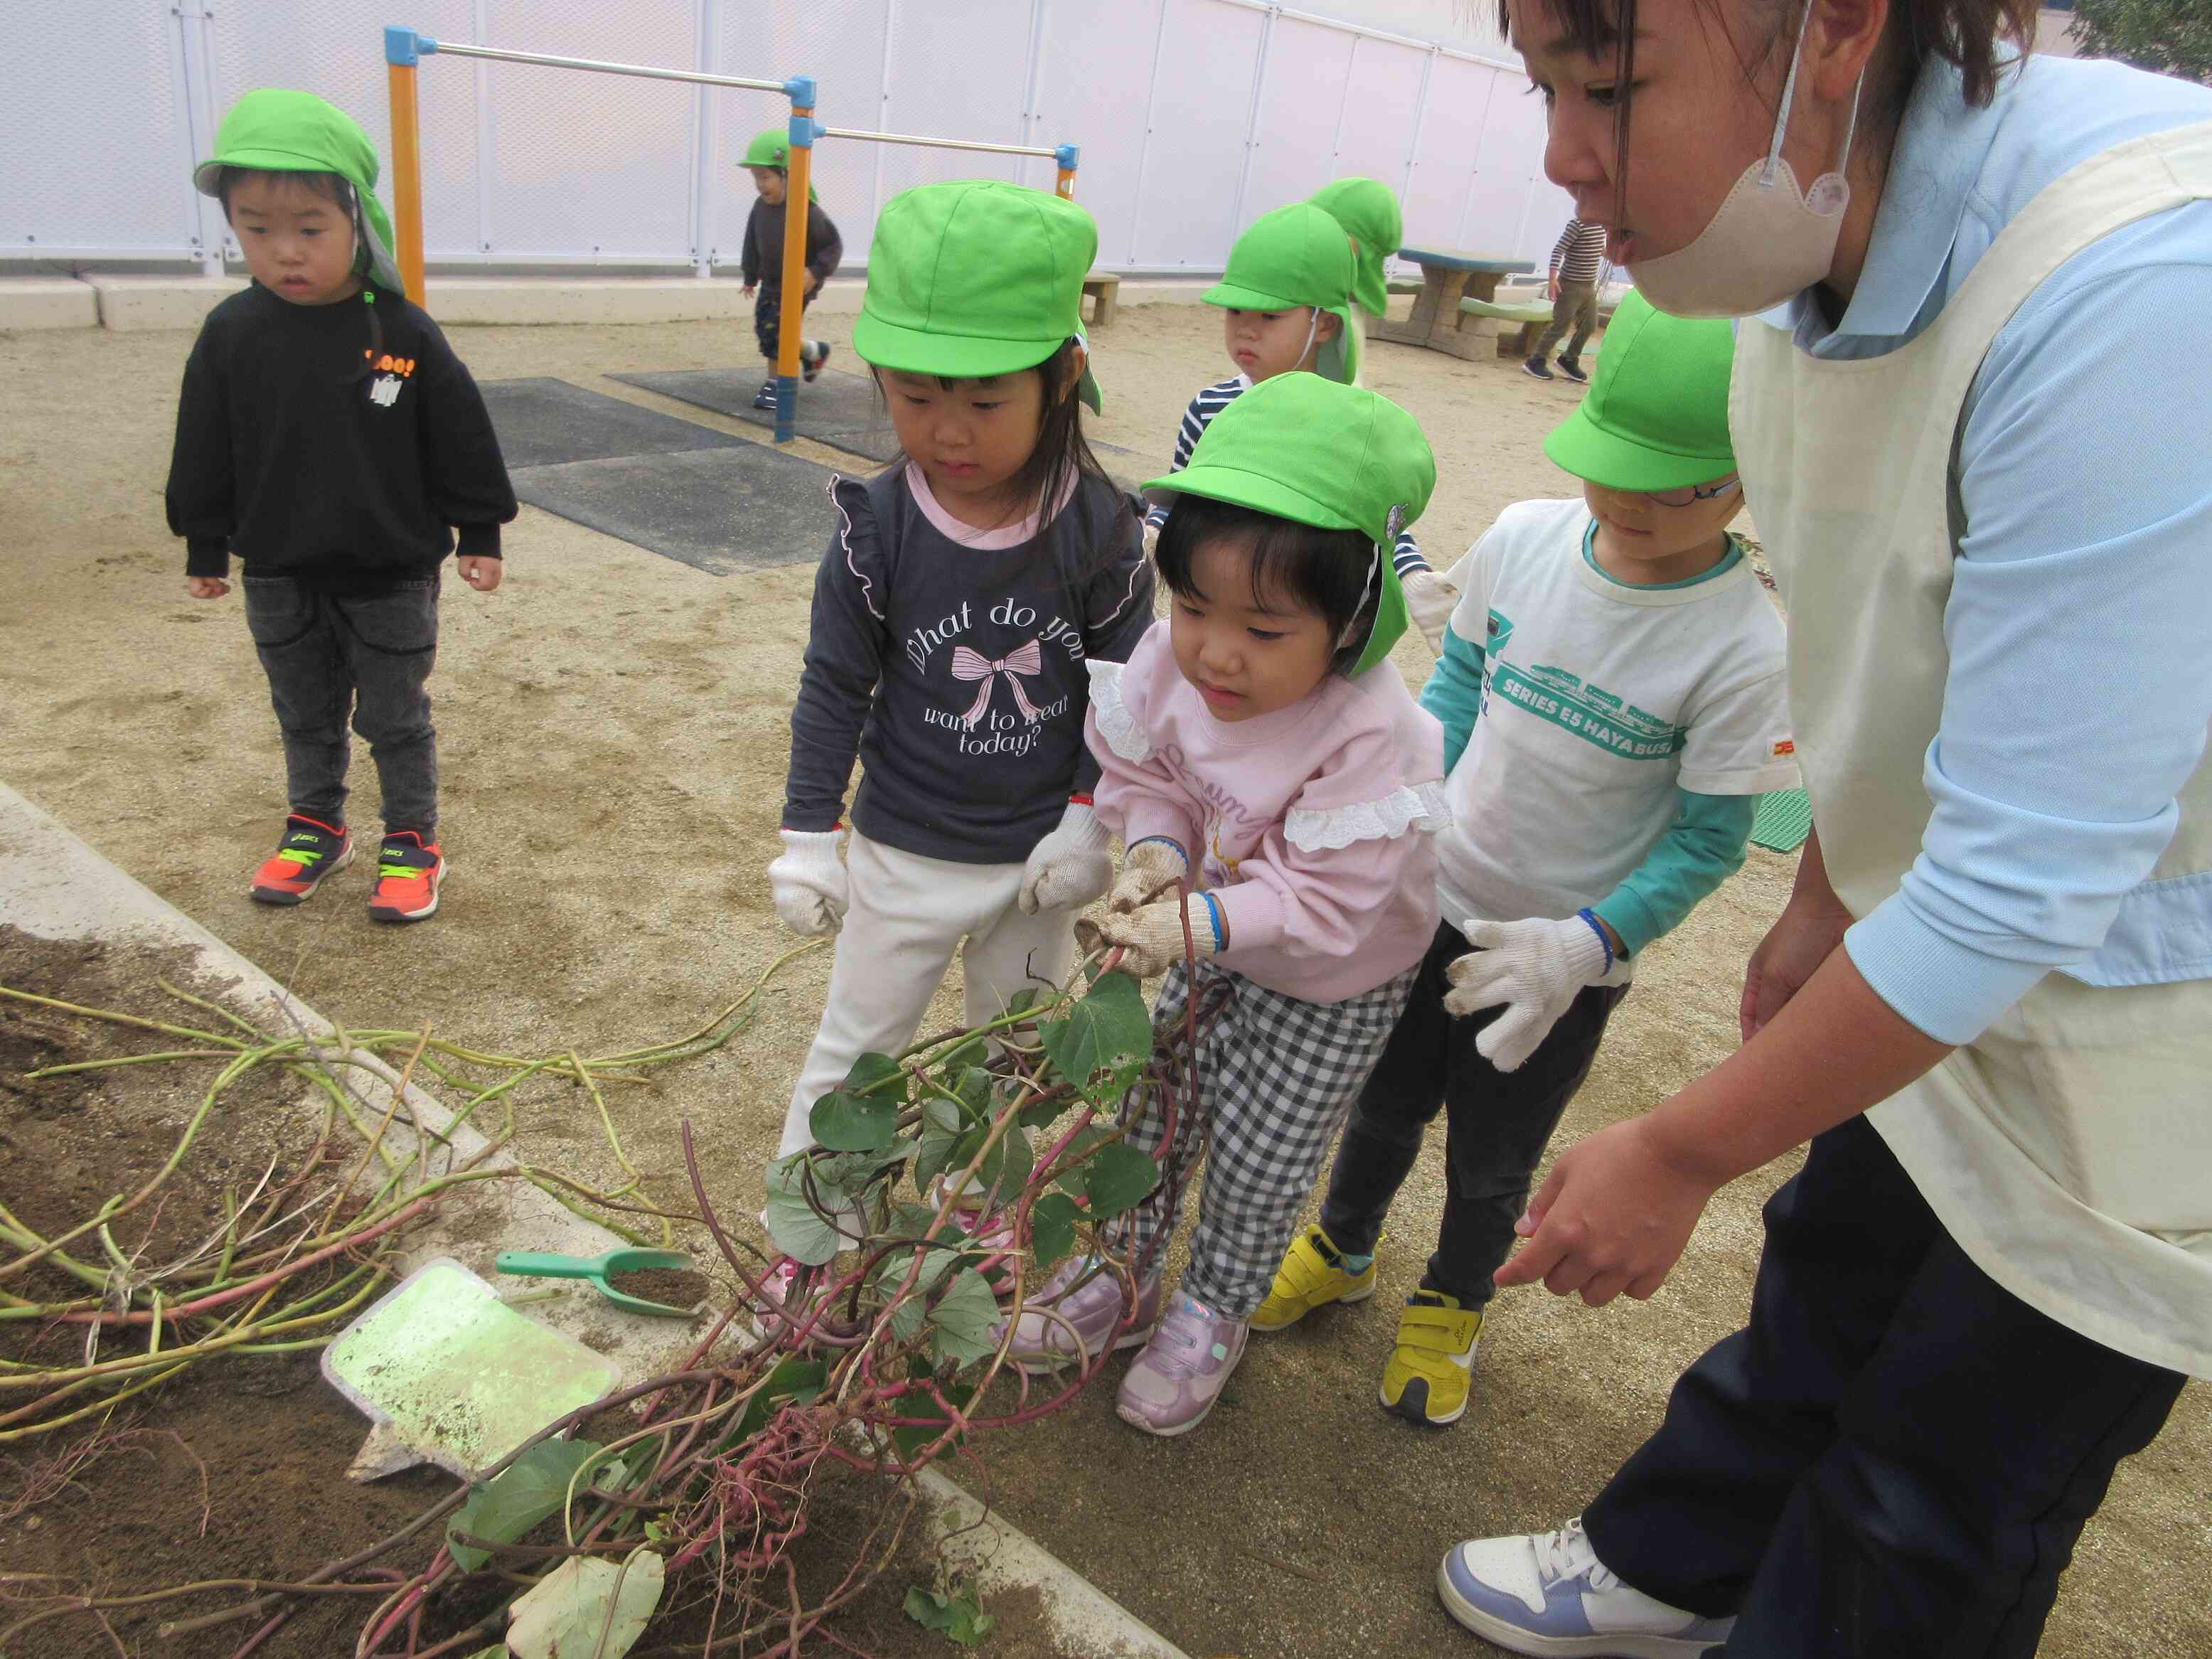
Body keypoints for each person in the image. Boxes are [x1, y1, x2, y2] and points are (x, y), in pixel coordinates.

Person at [1438, 0, 2212, 1653]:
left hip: (2159, 1001)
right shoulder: (1785, 245)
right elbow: (1886, 627)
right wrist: (1835, 887)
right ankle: (1678, 1564)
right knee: (1836, 1267)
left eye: (1611, 82)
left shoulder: (2139, 287)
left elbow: (2028, 875)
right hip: (1946, 910)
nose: (1563, 154)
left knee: (1957, 1447)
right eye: (1544, 86)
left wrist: (1678, 1145)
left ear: (1840, 26)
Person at [1254, 292, 1792, 1429]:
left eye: (1681, 482)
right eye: (1617, 466)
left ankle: (1451, 1300)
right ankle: (1342, 1246)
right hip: (1429, 904)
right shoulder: (1524, 541)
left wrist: (1584, 943)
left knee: (1493, 1159)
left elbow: (1709, 839)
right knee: (1381, 1102)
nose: (1636, 503)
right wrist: (1402, 809)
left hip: (1552, 958)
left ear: (1751, 473)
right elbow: (1451, 688)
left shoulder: (1746, 645)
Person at [1005, 373, 1450, 1439]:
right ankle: (1121, 1272)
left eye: (1263, 627)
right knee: (1153, 1105)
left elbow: (1320, 905)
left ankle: (1212, 1310)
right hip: (1202, 932)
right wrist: (1155, 856)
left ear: (1350, 624)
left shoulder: (1369, 735)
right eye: (1193, 606)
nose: (1214, 650)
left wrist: (1183, 925)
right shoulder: (1181, 662)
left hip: (1326, 980)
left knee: (1261, 1153)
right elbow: (1154, 771)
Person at [766, 180, 1153, 1248]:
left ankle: (988, 1214)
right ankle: (814, 1235)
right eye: (914, 395)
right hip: (903, 845)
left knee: (1023, 1054)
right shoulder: (874, 528)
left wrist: (1090, 819)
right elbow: (833, 684)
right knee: (856, 1052)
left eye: (985, 401)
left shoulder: (1101, 529)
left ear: (1061, 374)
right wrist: (809, 835)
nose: (947, 431)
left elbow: (1123, 689)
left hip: (1039, 860)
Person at [164, 88, 515, 924]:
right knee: (304, 711)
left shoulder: (399, 329)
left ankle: (412, 839)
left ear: (355, 218)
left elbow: (459, 431)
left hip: (390, 570)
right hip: (279, 569)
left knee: (395, 716)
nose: (284, 250)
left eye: (309, 229)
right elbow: (204, 442)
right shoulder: (231, 332)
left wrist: (480, 529)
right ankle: (316, 824)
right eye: (256, 229)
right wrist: (205, 545)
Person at [1147, 201, 1460, 655]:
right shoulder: (1209, 407)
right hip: (1223, 606)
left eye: (1270, 316)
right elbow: (1180, 497)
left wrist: (1412, 576)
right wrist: (1151, 533)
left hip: (1300, 615)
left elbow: (1374, 516)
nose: (1245, 331)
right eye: (1235, 312)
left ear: (1326, 324)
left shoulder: (1347, 422)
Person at [737, 127, 842, 411]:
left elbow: (833, 246)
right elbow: (752, 241)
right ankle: (812, 351)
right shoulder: (760, 208)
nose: (760, 185)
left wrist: (815, 272)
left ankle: (779, 384)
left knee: (778, 333)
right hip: (771, 283)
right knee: (765, 330)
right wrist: (749, 275)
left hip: (798, 284)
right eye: (756, 178)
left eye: (765, 177)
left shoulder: (807, 211)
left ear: (787, 174)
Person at [1525, 215, 1608, 381]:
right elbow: (1558, 250)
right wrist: (1552, 280)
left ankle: (1569, 359)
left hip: (1589, 286)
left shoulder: (1602, 225)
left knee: (1590, 325)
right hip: (1570, 285)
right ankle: (1535, 360)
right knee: (1560, 326)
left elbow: (1596, 248)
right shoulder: (1577, 224)